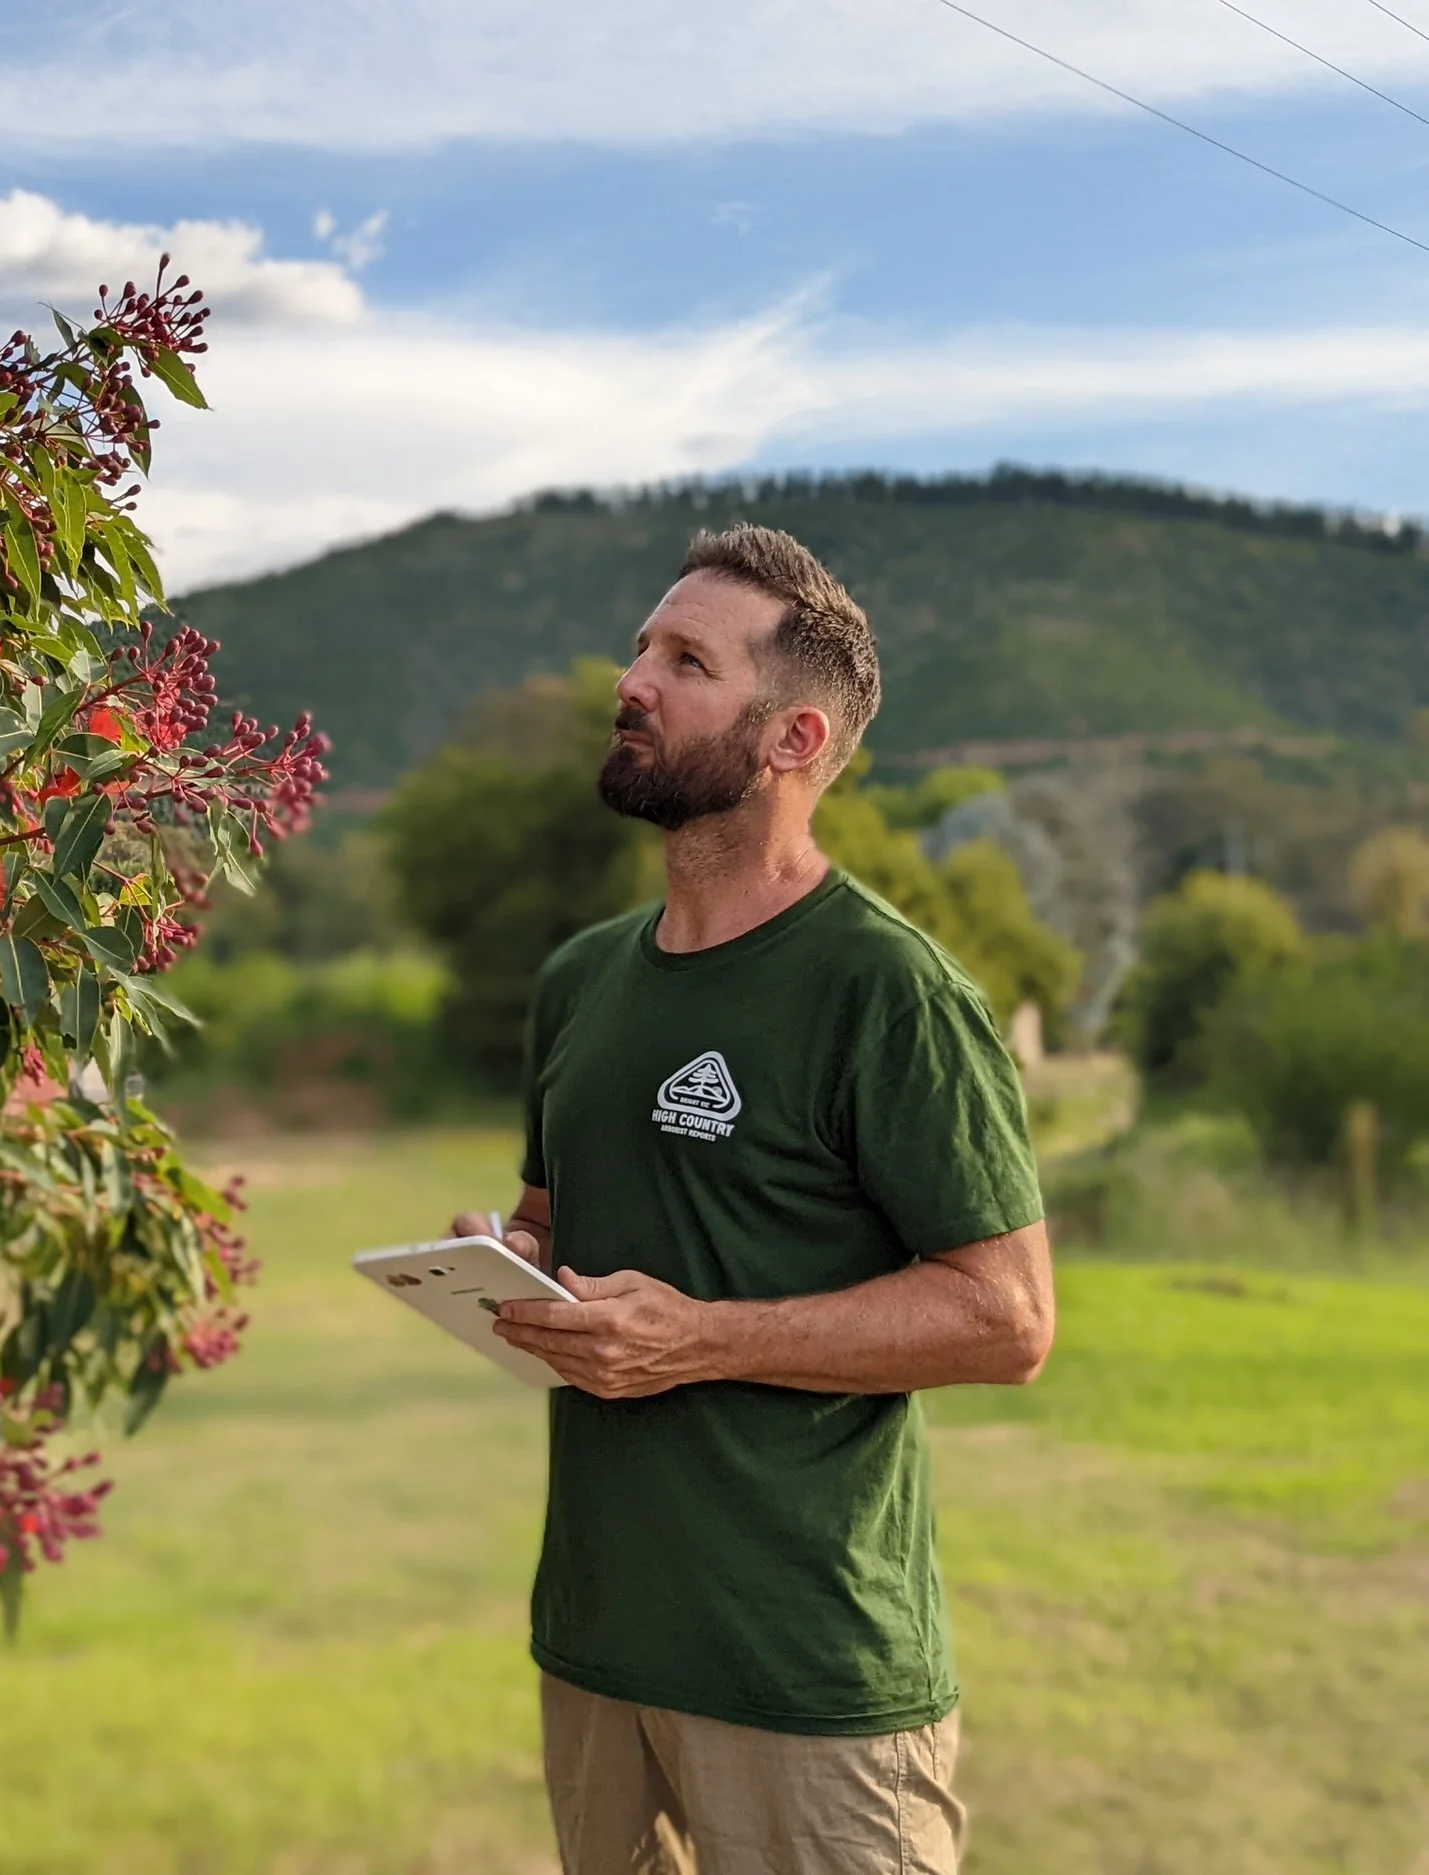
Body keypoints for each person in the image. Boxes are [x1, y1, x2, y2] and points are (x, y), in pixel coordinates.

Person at [452, 524, 1054, 1875]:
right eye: (641, 646)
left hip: (805, 1669)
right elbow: (560, 1225)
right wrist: (510, 1265)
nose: (632, 679)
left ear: (791, 740)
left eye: (684, 659)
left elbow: (1008, 1319)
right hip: (599, 1641)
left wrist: (704, 1337)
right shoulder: (581, 981)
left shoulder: (884, 990)